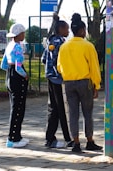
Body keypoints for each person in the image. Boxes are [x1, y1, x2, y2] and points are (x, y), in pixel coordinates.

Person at [56, 13, 102, 153]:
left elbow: (59, 66)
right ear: (82, 30)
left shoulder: (64, 46)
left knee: (73, 114)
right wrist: (96, 85)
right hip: (85, 82)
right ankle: (89, 141)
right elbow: (94, 67)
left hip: (69, 82)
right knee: (87, 113)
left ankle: (75, 142)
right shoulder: (88, 46)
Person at [41, 13, 72, 149]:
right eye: (67, 29)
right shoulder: (60, 43)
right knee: (62, 109)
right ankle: (68, 138)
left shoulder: (50, 41)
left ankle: (50, 138)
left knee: (53, 108)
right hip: (58, 79)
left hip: (50, 77)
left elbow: (44, 59)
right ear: (60, 29)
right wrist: (62, 74)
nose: (68, 31)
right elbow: (56, 61)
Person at [1, 23, 30, 148]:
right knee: (19, 109)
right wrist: (25, 75)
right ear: (19, 34)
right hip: (17, 77)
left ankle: (15, 135)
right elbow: (18, 66)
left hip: (9, 75)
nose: (24, 35)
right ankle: (13, 138)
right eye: (23, 33)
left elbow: (3, 65)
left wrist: (10, 73)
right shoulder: (18, 47)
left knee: (14, 107)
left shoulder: (9, 46)